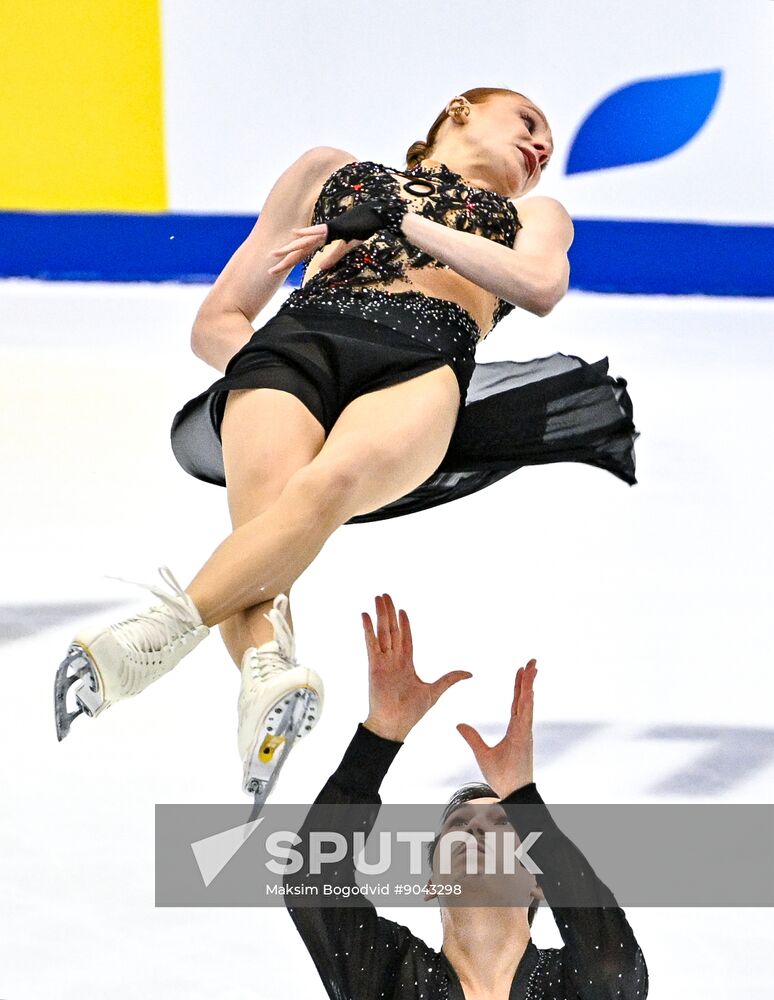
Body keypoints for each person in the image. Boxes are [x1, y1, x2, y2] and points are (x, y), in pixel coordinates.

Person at [53, 88, 637, 804]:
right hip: (298, 345)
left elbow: (541, 286)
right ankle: (265, 681)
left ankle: (145, 643)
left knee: (323, 488)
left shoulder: (534, 215)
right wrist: (275, 373)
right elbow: (218, 320)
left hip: (422, 354)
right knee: (266, 534)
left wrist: (405, 223)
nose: (541, 148)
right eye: (528, 123)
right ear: (459, 110)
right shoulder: (332, 172)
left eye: (547, 149)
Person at [283, 594, 649, 999]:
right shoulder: (392, 979)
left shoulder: (573, 986)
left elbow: (613, 960)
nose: (472, 833)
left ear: (539, 881)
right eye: (457, 828)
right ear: (432, 883)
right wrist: (379, 736)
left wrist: (522, 798)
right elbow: (311, 881)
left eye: (501, 828)